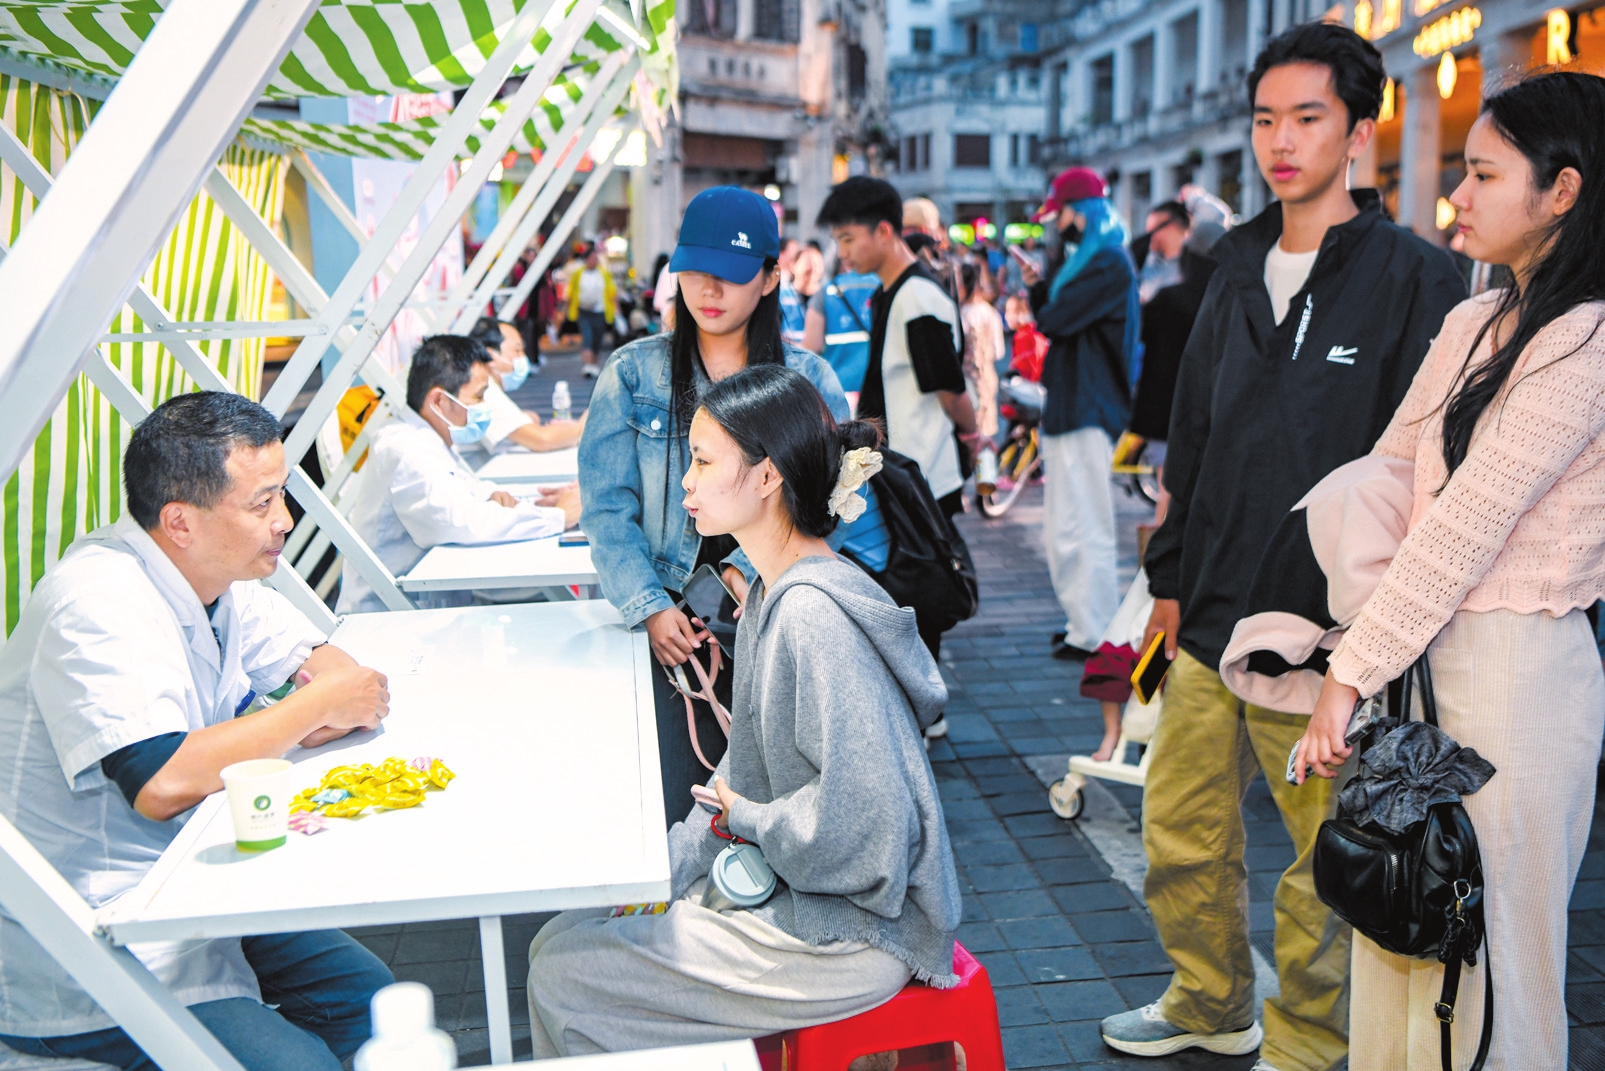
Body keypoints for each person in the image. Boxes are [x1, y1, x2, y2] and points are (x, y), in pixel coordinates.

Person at [1104, 23, 1467, 1070]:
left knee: (1321, 863)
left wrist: (1377, 639)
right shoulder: (1233, 260)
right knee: (1178, 832)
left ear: (1360, 129)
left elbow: (1430, 469)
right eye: (1267, 118)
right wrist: (1166, 583)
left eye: (1309, 117)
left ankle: (1310, 1044)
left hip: (1324, 637)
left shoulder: (1415, 277)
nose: (1282, 140)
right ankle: (1210, 1001)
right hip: (1210, 610)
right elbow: (1199, 432)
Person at [1294, 71, 1605, 1071]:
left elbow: (1467, 522)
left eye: (1481, 173)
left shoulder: (1590, 339)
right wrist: (1361, 648)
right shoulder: (1480, 317)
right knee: (1403, 931)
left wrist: (1348, 670)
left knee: (1494, 958)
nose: (1454, 198)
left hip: (1515, 681)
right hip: (1420, 663)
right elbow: (1394, 474)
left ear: (1564, 190)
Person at [527, 365, 960, 1057]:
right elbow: (741, 775)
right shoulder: (768, 594)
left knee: (564, 971)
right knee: (562, 937)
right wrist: (661, 871)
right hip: (809, 898)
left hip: (849, 934)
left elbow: (865, 821)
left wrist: (745, 818)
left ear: (766, 477)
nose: (685, 483)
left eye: (701, 460)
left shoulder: (811, 616)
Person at [0, 392, 394, 1071]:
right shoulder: (96, 602)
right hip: (94, 935)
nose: (285, 520)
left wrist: (324, 694)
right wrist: (313, 705)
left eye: (282, 496)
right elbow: (163, 780)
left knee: (377, 1005)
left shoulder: (221, 582)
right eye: (262, 503)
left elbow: (340, 673)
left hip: (192, 885)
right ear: (180, 520)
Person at [579, 186, 850, 830]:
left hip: (777, 622)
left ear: (770, 277)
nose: (708, 289)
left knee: (778, 798)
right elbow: (606, 507)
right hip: (671, 629)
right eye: (694, 270)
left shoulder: (809, 381)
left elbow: (830, 509)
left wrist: (748, 578)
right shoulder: (633, 374)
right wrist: (647, 606)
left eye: (728, 275)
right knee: (678, 802)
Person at [337, 335, 580, 614]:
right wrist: (558, 517)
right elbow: (459, 520)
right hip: (388, 621)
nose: (484, 406)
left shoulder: (423, 437)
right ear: (439, 400)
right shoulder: (405, 448)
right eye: (478, 396)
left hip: (426, 609)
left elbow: (458, 487)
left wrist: (491, 495)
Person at [1021, 166, 1139, 661]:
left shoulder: (1107, 262)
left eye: (1062, 213)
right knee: (1069, 522)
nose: (1057, 224)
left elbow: (1055, 317)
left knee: (1083, 522)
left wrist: (1038, 288)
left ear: (1081, 211)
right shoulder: (1102, 260)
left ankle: (1095, 632)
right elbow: (1058, 314)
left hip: (1087, 406)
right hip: (1078, 405)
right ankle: (1082, 626)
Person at [817, 176, 979, 521]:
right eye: (837, 241)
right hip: (903, 477)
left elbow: (950, 392)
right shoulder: (891, 292)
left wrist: (974, 435)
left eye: (848, 239)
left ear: (884, 232)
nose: (842, 253)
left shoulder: (917, 298)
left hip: (923, 480)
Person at [466, 317, 585, 452]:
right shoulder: (484, 391)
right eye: (517, 350)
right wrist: (585, 426)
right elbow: (542, 440)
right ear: (491, 356)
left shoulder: (481, 386)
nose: (522, 358)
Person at [802, 265, 880, 401]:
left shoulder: (828, 289)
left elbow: (812, 346)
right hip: (876, 387)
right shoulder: (883, 286)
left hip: (837, 388)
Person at [958, 261, 1002, 449]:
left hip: (963, 385)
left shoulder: (959, 313)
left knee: (967, 437)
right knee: (984, 439)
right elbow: (999, 351)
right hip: (986, 381)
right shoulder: (990, 313)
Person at [566, 244, 615, 378]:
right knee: (587, 337)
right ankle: (587, 365)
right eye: (592, 258)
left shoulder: (603, 273)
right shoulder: (579, 274)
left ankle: (593, 364)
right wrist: (568, 308)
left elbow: (611, 292)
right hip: (584, 310)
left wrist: (616, 309)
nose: (594, 261)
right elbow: (572, 292)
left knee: (597, 339)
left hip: (600, 311)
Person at [1135, 200, 1191, 304]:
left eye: (1151, 231)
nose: (1148, 239)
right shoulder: (1149, 259)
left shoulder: (1194, 265)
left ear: (1170, 226)